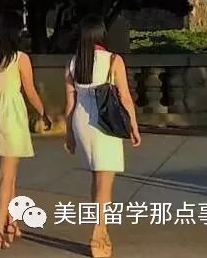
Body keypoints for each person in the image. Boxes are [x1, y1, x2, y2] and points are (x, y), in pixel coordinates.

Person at [0, 11, 51, 251]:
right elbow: (30, 91)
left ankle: (13, 222)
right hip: (10, 117)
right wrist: (43, 113)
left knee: (9, 174)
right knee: (6, 177)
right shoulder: (20, 58)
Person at [64, 15, 141, 258]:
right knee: (105, 179)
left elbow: (69, 103)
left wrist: (69, 133)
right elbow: (125, 96)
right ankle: (99, 232)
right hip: (105, 120)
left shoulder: (74, 62)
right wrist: (133, 125)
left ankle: (100, 227)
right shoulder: (113, 60)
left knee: (97, 178)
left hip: (81, 120)